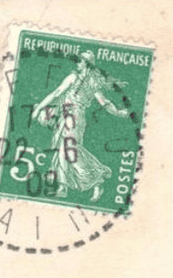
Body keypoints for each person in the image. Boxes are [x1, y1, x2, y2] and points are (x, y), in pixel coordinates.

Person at [30, 50, 132, 202]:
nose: (77, 63)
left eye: (80, 60)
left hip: (74, 118)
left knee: (69, 150)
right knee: (66, 150)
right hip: (67, 116)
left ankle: (95, 180)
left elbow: (57, 93)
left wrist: (38, 108)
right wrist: (118, 112)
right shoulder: (84, 80)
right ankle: (64, 187)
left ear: (86, 64)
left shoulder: (84, 80)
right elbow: (58, 94)